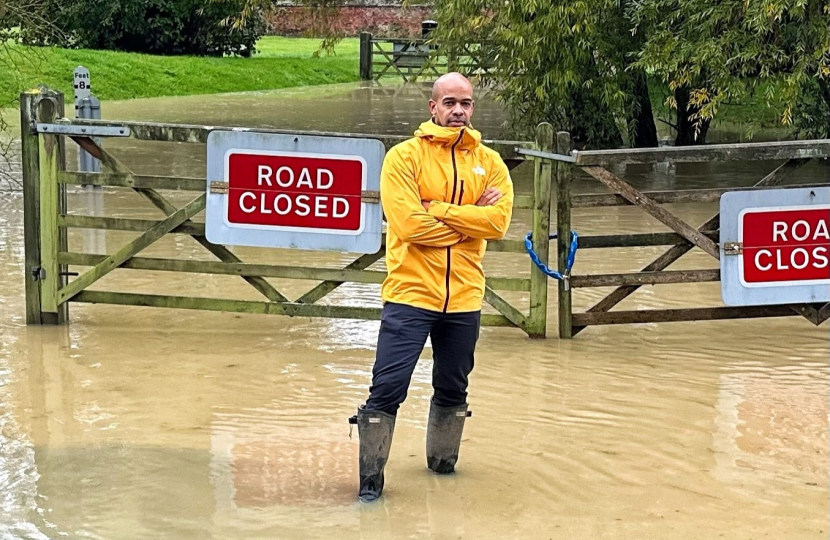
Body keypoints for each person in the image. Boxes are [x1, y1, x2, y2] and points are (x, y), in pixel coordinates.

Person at [349, 72, 514, 503]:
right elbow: (408, 225)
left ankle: (443, 471)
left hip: (463, 297)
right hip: (409, 294)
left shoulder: (491, 163)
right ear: (433, 107)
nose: (459, 111)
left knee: (453, 387)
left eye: (467, 103)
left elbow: (497, 223)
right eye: (450, 103)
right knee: (387, 387)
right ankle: (370, 484)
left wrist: (438, 209)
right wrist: (468, 220)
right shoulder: (403, 158)